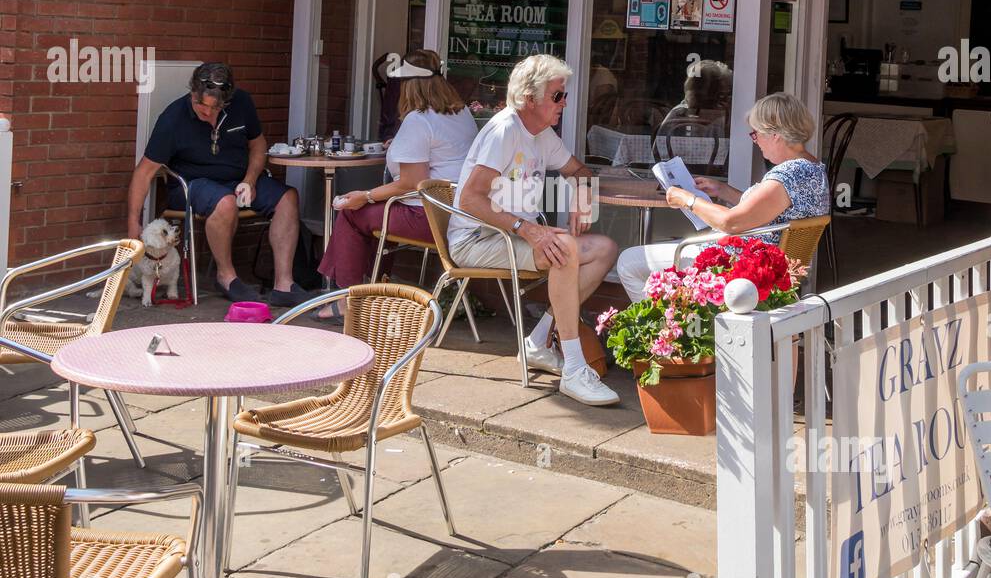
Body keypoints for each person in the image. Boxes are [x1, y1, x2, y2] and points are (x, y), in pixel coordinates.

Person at [450, 53, 620, 407]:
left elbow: (580, 172)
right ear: (529, 98)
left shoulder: (541, 134)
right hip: (476, 239)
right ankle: (574, 368)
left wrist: (582, 198)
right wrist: (528, 229)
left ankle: (538, 342)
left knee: (604, 248)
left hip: (509, 236)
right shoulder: (505, 130)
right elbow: (469, 199)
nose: (565, 102)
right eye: (557, 95)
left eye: (565, 94)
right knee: (563, 249)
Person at [127, 62, 311, 306]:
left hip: (238, 179)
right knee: (225, 203)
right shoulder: (173, 118)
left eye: (216, 108)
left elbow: (258, 145)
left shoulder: (242, 103)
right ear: (193, 92)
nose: (208, 113)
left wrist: (250, 180)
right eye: (201, 105)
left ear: (227, 100)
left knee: (287, 198)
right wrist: (133, 221)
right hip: (192, 184)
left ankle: (284, 284)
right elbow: (144, 172)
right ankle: (226, 276)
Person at [617, 91, 830, 302]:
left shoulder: (788, 175)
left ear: (774, 135)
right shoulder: (812, 170)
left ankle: (667, 327)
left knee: (627, 262)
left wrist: (688, 200)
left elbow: (731, 222)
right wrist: (722, 190)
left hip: (737, 264)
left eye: (756, 133)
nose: (755, 141)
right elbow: (766, 210)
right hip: (760, 262)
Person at [317, 50, 478, 309]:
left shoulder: (418, 119)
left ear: (409, 86)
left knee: (353, 212)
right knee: (381, 212)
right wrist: (399, 145)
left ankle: (346, 302)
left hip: (430, 218)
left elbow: (409, 184)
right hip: (459, 213)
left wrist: (366, 196)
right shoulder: (462, 114)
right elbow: (441, 152)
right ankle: (375, 286)